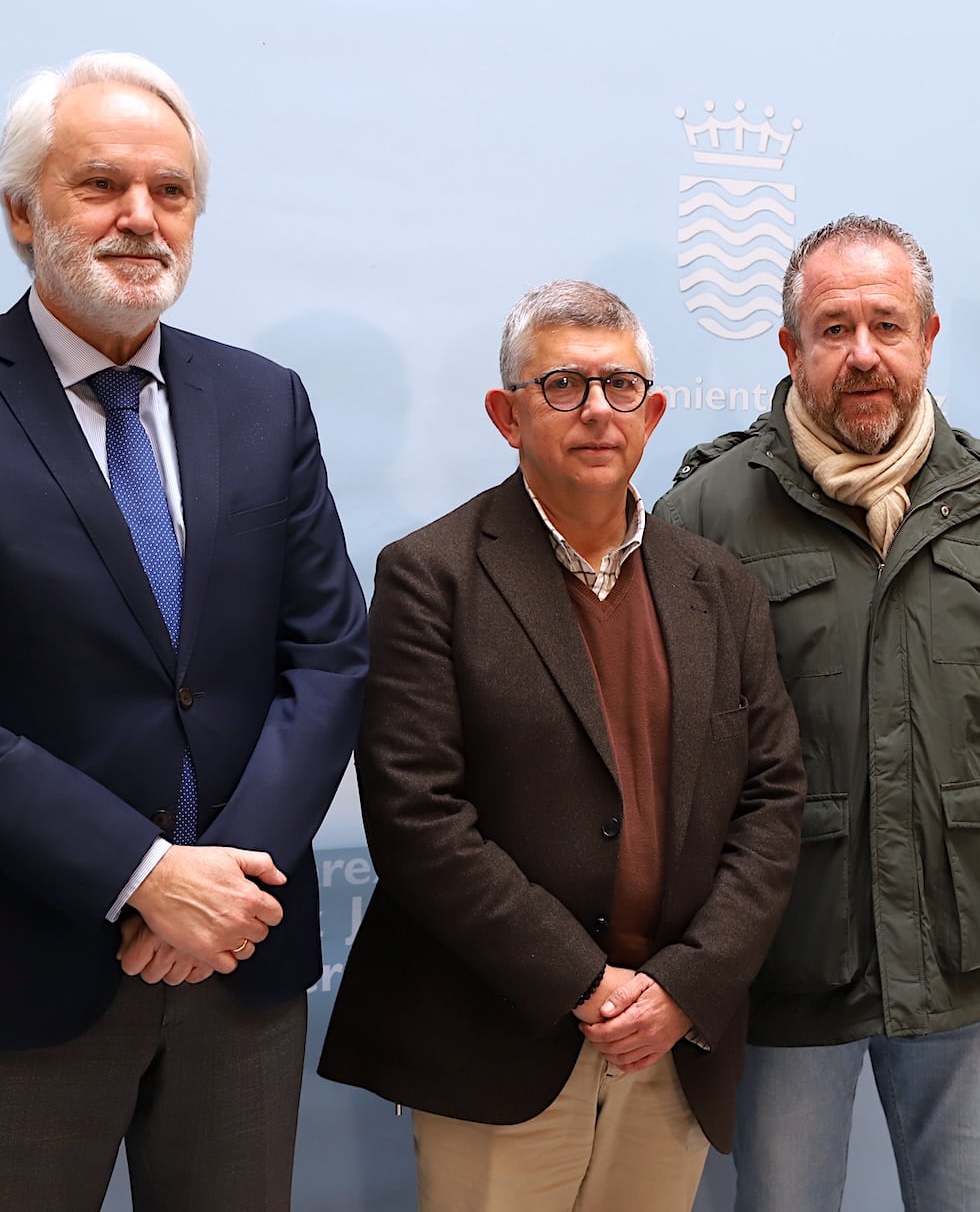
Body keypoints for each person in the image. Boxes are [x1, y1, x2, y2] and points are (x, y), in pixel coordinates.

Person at [0, 52, 369, 1210]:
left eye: (171, 190)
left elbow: (330, 657)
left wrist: (226, 886)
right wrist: (143, 875)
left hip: (238, 970)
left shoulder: (266, 400)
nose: (141, 218)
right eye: (100, 184)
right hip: (15, 970)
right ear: (20, 212)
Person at [317, 281, 805, 1212]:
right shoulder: (431, 576)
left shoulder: (720, 587)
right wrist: (584, 984)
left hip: (670, 1040)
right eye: (562, 386)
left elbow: (774, 802)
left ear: (654, 413)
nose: (596, 411)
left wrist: (683, 985)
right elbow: (419, 819)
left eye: (620, 386)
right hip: (500, 1034)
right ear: (507, 415)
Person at [654, 215, 980, 1212]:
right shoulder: (706, 517)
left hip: (963, 960)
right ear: (789, 349)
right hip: (783, 966)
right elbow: (666, 764)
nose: (864, 356)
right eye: (834, 328)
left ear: (928, 339)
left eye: (887, 326)